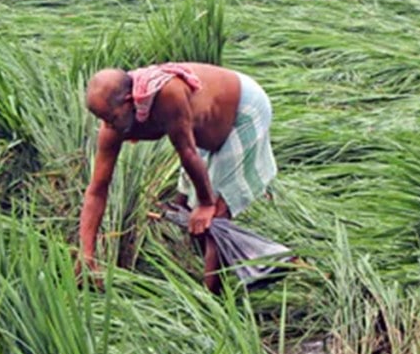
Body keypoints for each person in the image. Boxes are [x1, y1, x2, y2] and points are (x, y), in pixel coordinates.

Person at [78, 62, 277, 293]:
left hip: (241, 111)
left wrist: (206, 204)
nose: (106, 126)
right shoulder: (114, 123)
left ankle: (212, 301)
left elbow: (188, 152)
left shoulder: (166, 94)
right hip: (200, 130)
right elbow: (97, 190)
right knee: (182, 206)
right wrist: (87, 253)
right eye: (101, 119)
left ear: (128, 102)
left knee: (215, 217)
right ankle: (196, 261)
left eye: (110, 118)